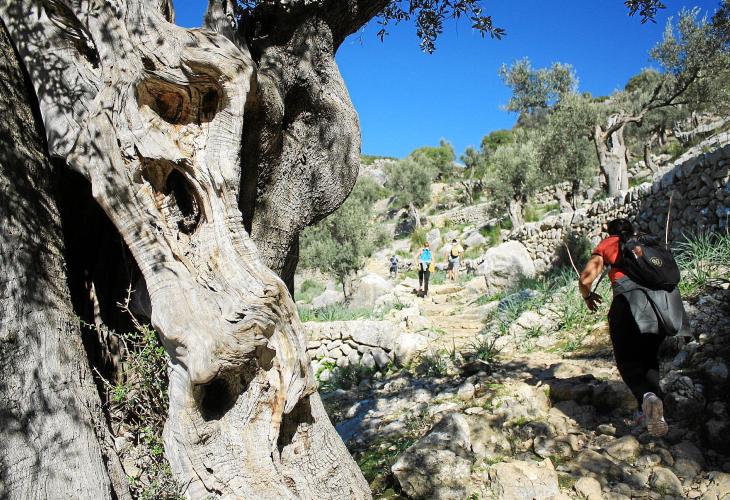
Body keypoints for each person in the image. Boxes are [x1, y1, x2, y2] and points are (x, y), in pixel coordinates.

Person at [579, 218, 686, 437]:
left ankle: (647, 398)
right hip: (662, 307)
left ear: (610, 233)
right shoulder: (644, 242)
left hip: (629, 304)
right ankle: (653, 411)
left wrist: (588, 295)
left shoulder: (609, 244)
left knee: (626, 360)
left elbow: (585, 278)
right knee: (648, 358)